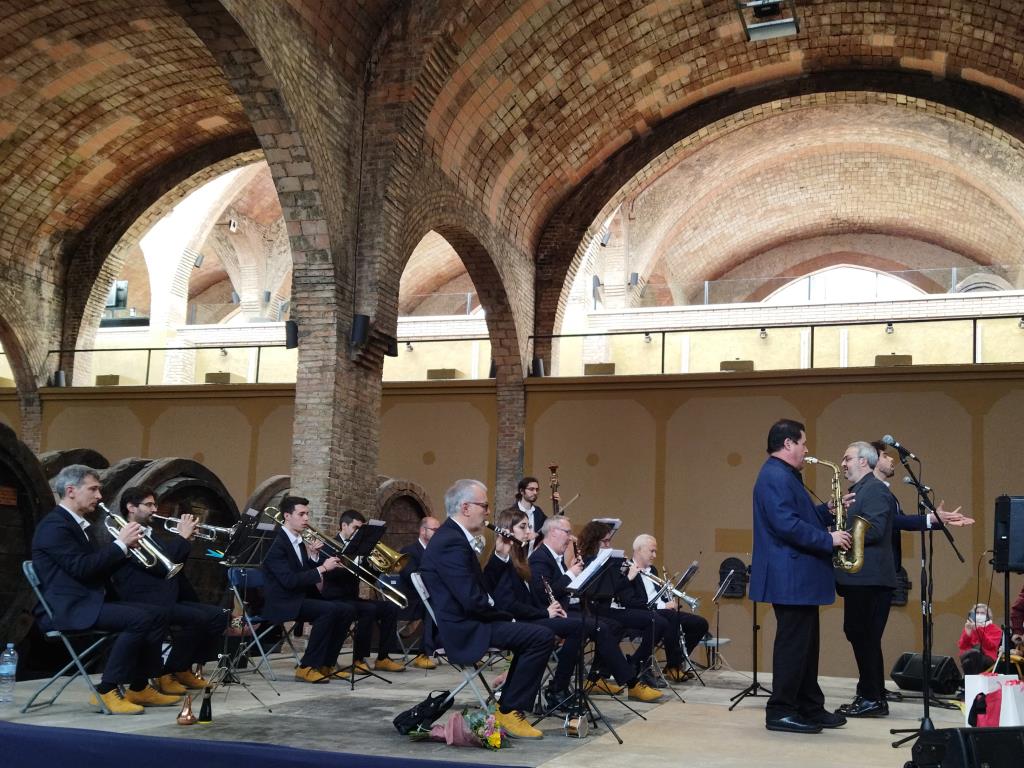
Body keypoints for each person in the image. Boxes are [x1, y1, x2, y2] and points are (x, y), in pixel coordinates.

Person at [31, 465, 178, 714]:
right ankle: (107, 690)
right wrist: (120, 544)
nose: (100, 496)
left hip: (88, 600)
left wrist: (128, 549)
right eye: (93, 489)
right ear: (71, 491)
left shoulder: (77, 525)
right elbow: (82, 569)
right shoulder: (54, 526)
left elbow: (96, 569)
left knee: (159, 613)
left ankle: (140, 686)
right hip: (68, 608)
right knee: (139, 619)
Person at [419, 479, 555, 739]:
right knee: (541, 636)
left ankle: (508, 706)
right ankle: (510, 709)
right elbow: (472, 600)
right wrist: (508, 617)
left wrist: (501, 555)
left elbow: (481, 590)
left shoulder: (454, 537)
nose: (488, 511)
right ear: (466, 507)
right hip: (464, 628)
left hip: (472, 620)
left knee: (536, 633)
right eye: (484, 505)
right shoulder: (451, 541)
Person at [750, 419, 851, 734]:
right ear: (789, 443)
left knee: (807, 646)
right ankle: (780, 710)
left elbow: (797, 517)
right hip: (791, 576)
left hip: (799, 576)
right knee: (793, 645)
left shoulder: (784, 476)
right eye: (804, 443)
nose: (807, 450)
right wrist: (828, 539)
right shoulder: (774, 476)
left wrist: (827, 512)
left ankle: (809, 706)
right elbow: (785, 524)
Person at [110, 486, 229, 695]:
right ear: (130, 507)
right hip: (145, 600)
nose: (154, 509)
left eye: (155, 504)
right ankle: (165, 674)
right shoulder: (126, 534)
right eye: (148, 505)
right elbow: (160, 565)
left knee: (217, 616)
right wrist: (182, 538)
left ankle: (179, 667)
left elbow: (172, 563)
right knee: (198, 618)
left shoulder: (150, 533)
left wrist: (185, 542)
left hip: (164, 596)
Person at [529, 516, 663, 702]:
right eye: (567, 533)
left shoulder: (554, 557)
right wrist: (571, 574)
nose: (570, 538)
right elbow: (544, 593)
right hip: (550, 614)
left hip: (568, 610)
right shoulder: (540, 558)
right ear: (553, 532)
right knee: (594, 627)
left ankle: (569, 684)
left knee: (607, 626)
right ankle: (628, 682)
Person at [485, 506, 583, 712]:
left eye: (529, 526)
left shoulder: (520, 559)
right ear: (507, 531)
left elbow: (526, 599)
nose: (529, 531)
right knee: (564, 630)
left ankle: (541, 691)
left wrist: (551, 609)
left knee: (579, 624)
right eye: (523, 527)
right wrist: (544, 613)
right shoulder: (506, 561)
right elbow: (508, 605)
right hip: (513, 622)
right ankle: (546, 693)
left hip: (528, 618)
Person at [834, 441, 897, 718]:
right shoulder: (860, 490)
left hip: (870, 578)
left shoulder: (874, 490)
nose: (843, 463)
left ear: (864, 461)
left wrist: (841, 535)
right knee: (860, 634)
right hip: (861, 578)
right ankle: (872, 693)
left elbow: (875, 529)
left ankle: (872, 698)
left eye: (847, 458)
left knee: (864, 636)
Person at [261, 495, 355, 683]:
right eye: (301, 514)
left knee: (347, 609)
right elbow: (289, 581)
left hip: (298, 596)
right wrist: (322, 568)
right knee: (328, 610)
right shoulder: (276, 543)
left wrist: (312, 557)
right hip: (282, 601)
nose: (306, 519)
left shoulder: (298, 541)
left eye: (307, 514)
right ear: (287, 516)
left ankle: (326, 663)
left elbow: (300, 574)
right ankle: (307, 667)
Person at [618, 534, 709, 683]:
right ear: (639, 550)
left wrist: (669, 600)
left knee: (700, 623)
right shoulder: (627, 569)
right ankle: (673, 666)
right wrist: (662, 605)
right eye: (651, 551)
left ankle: (673, 663)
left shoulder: (652, 569)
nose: (654, 555)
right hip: (643, 614)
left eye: (655, 552)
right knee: (670, 618)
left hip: (662, 610)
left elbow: (658, 594)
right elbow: (630, 601)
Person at [321, 509, 404, 673]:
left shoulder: (362, 548)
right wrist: (353, 565)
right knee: (369, 609)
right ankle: (359, 659)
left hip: (352, 597)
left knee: (390, 608)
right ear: (344, 526)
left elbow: (370, 579)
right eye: (355, 528)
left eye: (361, 529)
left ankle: (383, 658)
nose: (358, 533)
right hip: (334, 598)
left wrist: (376, 567)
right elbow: (329, 575)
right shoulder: (329, 545)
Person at [399, 515, 441, 670]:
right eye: (435, 530)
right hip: (411, 601)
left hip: (430, 597)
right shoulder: (409, 551)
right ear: (423, 531)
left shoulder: (437, 552)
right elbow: (412, 577)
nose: (438, 533)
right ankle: (423, 654)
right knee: (432, 607)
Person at [958, 603, 1002, 674]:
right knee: (969, 659)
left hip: (987, 658)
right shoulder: (969, 626)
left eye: (982, 613)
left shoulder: (996, 629)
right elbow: (962, 646)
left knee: (972, 657)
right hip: (969, 657)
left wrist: (977, 630)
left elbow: (990, 645)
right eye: (977, 613)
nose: (979, 615)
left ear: (988, 616)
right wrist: (967, 634)